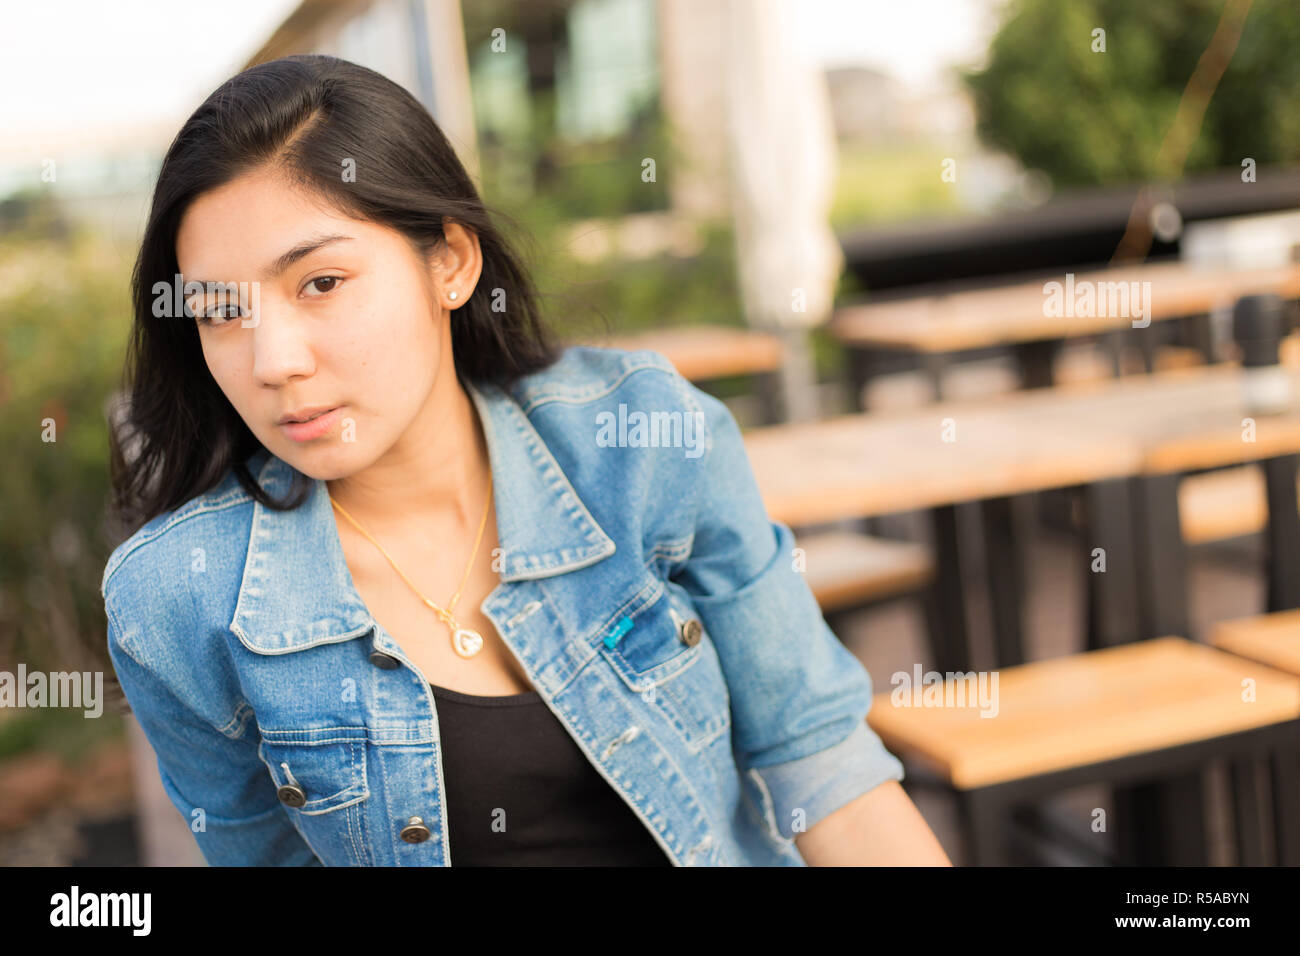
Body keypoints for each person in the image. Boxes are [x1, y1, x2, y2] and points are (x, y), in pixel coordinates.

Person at [102, 53, 950, 867]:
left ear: (452, 263)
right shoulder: (182, 601)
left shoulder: (641, 446)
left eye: (320, 283)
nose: (272, 360)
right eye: (220, 311)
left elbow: (824, 767)